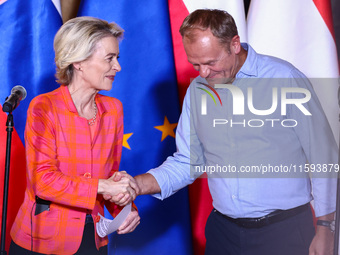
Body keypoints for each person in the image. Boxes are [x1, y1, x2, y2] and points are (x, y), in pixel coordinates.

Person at [115, 9, 337, 255]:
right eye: (196, 64)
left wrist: (326, 227)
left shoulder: (285, 79)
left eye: (211, 63)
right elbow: (187, 163)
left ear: (234, 45)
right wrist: (136, 184)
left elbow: (323, 156)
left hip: (284, 232)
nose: (204, 74)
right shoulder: (197, 91)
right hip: (224, 233)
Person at [9, 17, 140, 255]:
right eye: (109, 58)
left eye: (117, 58)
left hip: (94, 239)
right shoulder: (44, 107)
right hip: (41, 241)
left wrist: (125, 207)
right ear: (79, 62)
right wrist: (105, 186)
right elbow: (43, 182)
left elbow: (110, 177)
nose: (118, 67)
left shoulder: (114, 110)